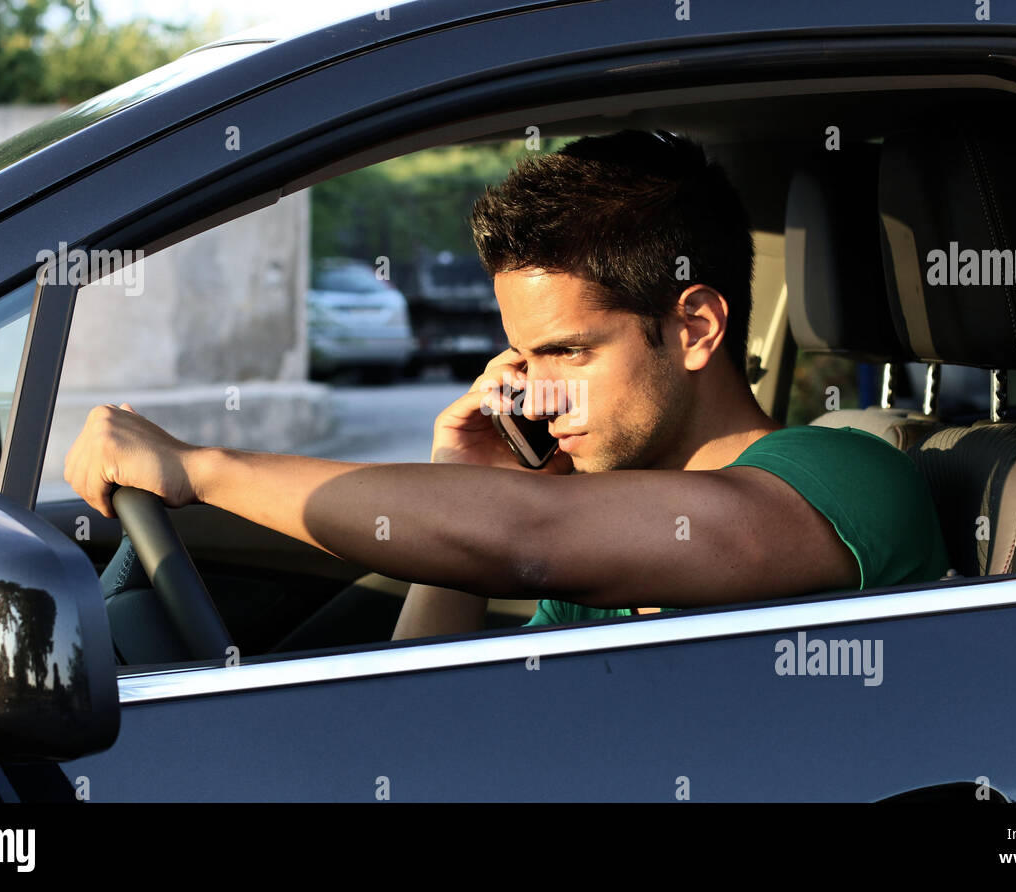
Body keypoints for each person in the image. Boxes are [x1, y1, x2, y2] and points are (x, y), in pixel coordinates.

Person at [65, 130, 950, 647]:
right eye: (524, 358)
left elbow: (531, 535)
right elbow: (422, 707)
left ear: (695, 328)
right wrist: (468, 473)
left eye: (568, 352)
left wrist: (198, 469)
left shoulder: (848, 475)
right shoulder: (596, 513)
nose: (537, 393)